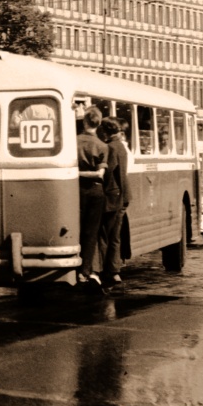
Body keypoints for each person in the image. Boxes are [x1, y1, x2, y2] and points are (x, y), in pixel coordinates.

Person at [77, 105, 109, 293]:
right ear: (98, 124)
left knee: (78, 229)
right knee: (91, 233)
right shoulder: (102, 146)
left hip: (76, 190)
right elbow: (100, 174)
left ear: (84, 121)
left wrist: (76, 172)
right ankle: (85, 270)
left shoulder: (72, 143)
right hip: (95, 192)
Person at [97, 117, 131, 287]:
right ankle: (115, 271)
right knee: (115, 236)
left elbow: (108, 173)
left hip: (111, 197)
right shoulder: (121, 146)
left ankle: (106, 270)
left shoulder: (110, 147)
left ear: (105, 131)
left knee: (104, 236)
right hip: (123, 196)